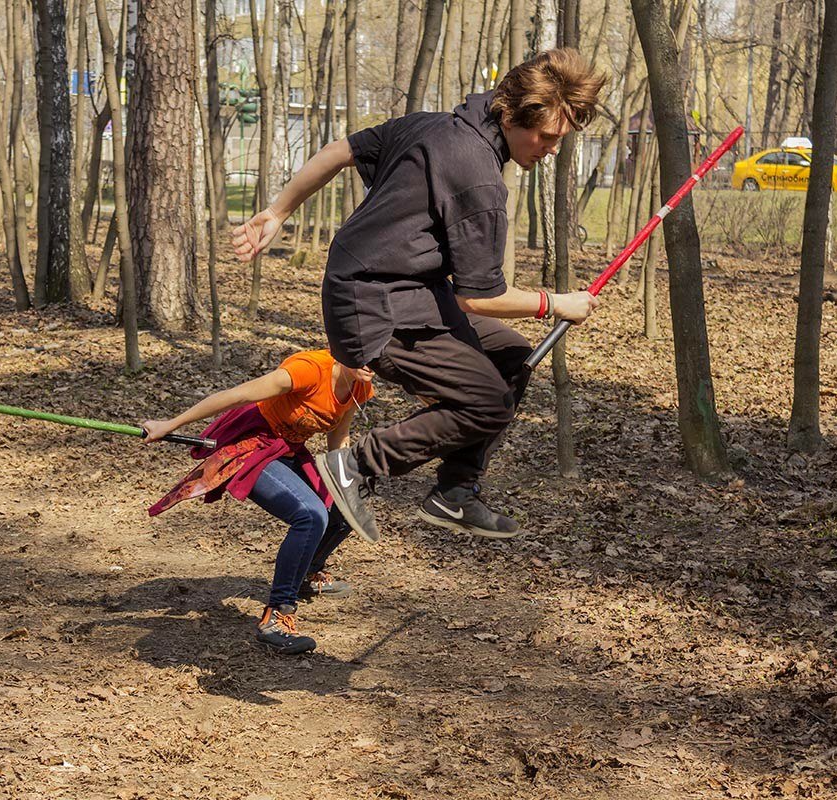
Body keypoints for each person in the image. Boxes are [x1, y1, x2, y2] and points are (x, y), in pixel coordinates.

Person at [232, 48, 607, 543]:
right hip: (374, 307)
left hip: (400, 290)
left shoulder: (432, 126)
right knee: (488, 403)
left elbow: (340, 150)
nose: (552, 149)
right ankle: (352, 465)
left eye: (561, 139)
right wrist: (556, 304)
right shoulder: (477, 177)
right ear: (513, 114)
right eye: (548, 136)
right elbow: (480, 297)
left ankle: (456, 492)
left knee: (513, 357)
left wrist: (278, 211)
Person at [143, 350, 375, 655]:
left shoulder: (360, 384)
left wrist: (346, 479)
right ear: (346, 347)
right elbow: (236, 395)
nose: (374, 364)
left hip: (288, 449)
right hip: (252, 443)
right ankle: (276, 617)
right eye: (368, 354)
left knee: (345, 510)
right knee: (310, 515)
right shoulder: (307, 370)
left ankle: (307, 572)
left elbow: (339, 434)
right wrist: (170, 424)